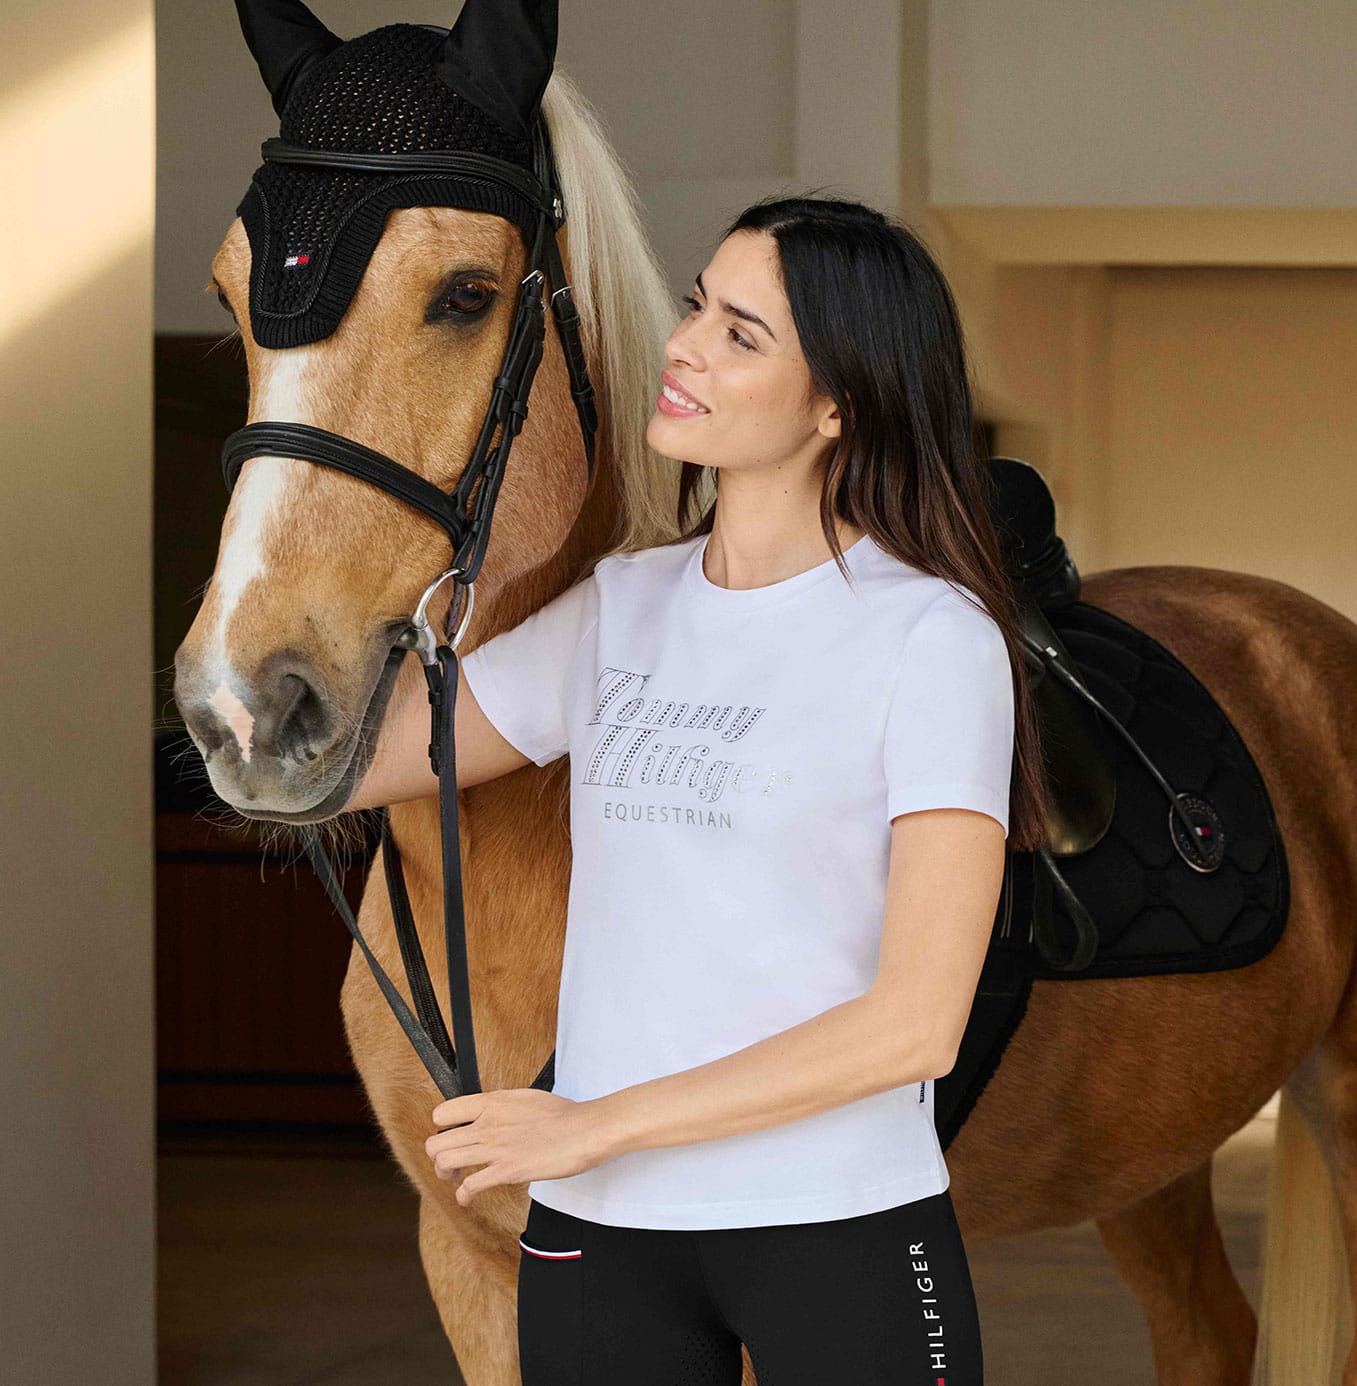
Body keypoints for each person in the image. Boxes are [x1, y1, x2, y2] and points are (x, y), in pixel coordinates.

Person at [350, 196, 1048, 1385]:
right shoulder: (621, 609)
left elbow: (917, 1023)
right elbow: (363, 758)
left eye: (741, 334)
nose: (683, 347)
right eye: (696, 308)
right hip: (599, 1237)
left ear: (839, 405)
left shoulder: (931, 639)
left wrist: (594, 1124)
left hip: (837, 1225)